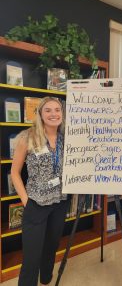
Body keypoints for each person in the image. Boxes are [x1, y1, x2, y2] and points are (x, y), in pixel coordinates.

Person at [11, 97, 69, 286]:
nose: (54, 114)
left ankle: (45, 279)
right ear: (40, 114)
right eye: (48, 110)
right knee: (31, 257)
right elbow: (14, 172)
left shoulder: (67, 138)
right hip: (35, 204)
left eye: (57, 110)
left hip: (59, 203)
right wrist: (26, 200)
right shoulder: (27, 137)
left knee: (51, 248)